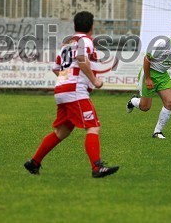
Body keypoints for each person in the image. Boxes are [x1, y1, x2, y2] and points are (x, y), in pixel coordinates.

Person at [24, 11, 119, 178]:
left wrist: (66, 82)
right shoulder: (86, 41)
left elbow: (56, 68)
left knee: (62, 131)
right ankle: (97, 168)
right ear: (91, 26)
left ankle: (34, 162)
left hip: (61, 90)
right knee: (93, 126)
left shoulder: (67, 43)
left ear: (75, 25)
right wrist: (94, 81)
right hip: (75, 92)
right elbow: (82, 59)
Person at [126, 20, 171, 139]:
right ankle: (133, 101)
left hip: (163, 75)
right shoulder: (162, 43)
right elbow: (146, 59)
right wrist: (148, 79)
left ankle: (157, 132)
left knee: (170, 103)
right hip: (149, 72)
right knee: (145, 107)